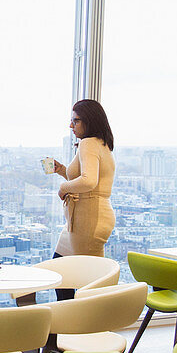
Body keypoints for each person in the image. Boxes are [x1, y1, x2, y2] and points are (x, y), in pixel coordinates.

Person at [50, 99, 116, 301]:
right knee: (60, 267)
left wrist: (63, 187)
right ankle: (69, 319)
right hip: (85, 217)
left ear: (89, 121)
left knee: (87, 282)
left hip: (89, 218)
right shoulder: (100, 144)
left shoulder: (88, 144)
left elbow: (88, 182)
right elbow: (87, 180)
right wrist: (63, 171)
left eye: (76, 121)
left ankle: (82, 325)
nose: (71, 126)